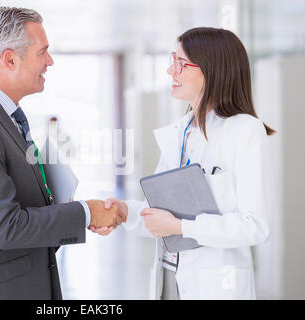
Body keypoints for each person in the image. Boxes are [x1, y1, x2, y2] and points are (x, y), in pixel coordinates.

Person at [0, 6, 126, 300]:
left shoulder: (3, 115)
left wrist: (60, 205)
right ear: (10, 59)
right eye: (42, 53)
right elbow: (5, 226)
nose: (50, 61)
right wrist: (86, 212)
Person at [91, 27, 274, 300]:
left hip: (216, 285)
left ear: (212, 70)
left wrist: (181, 228)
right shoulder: (182, 132)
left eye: (181, 63)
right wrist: (125, 211)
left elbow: (254, 226)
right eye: (172, 60)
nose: (170, 71)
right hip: (169, 279)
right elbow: (162, 215)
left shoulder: (245, 130)